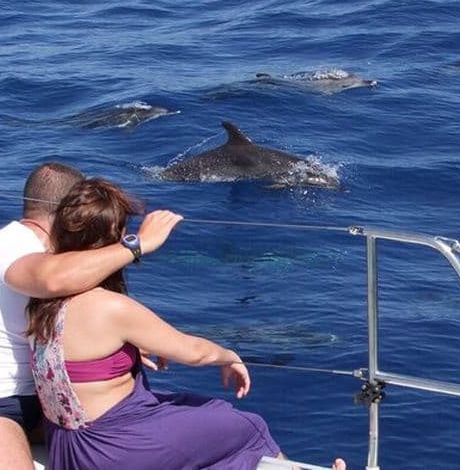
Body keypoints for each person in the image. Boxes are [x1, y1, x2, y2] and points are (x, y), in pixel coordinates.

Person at [26, 178, 346, 470]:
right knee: (248, 426)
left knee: (192, 407)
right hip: (109, 449)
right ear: (114, 240)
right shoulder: (110, 308)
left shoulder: (39, 302)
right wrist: (230, 356)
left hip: (67, 446)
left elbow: (79, 356)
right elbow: (195, 352)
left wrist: (130, 350)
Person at [0, 162, 182, 470]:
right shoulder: (12, 244)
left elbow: (64, 319)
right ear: (66, 211)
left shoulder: (52, 257)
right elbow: (52, 281)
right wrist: (137, 244)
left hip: (45, 397)